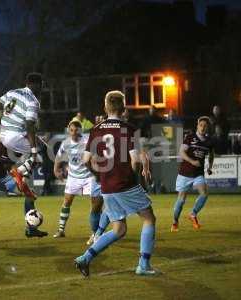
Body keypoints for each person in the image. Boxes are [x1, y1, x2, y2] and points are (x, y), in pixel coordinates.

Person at [74, 90, 156, 277]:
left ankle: (85, 258)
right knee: (148, 218)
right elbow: (135, 161)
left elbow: (86, 159)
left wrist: (97, 174)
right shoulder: (129, 129)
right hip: (124, 183)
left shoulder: (96, 129)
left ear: (105, 108)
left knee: (119, 229)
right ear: (124, 109)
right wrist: (135, 177)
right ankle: (143, 265)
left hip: (106, 185)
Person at [0, 144, 48, 248]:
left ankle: (31, 230)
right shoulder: (0, 146)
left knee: (30, 196)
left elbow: (12, 167)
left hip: (5, 178)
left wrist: (22, 181)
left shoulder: (19, 149)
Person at [0, 72, 44, 199]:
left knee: (28, 151)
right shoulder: (33, 101)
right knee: (41, 151)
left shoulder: (12, 92)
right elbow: (30, 125)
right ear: (37, 85)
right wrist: (34, 149)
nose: (41, 88)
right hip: (15, 137)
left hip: (4, 134)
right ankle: (19, 174)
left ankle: (19, 180)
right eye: (41, 85)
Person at [53, 120, 103, 245]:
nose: (74, 132)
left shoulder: (87, 140)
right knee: (67, 201)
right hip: (73, 177)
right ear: (68, 131)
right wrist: (56, 170)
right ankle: (61, 230)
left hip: (89, 177)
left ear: (80, 130)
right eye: (71, 130)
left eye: (76, 130)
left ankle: (95, 233)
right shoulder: (65, 143)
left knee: (95, 205)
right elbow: (59, 157)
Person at [171, 116, 214, 232]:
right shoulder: (190, 137)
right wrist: (192, 161)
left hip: (198, 174)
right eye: (201, 125)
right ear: (197, 126)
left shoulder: (209, 141)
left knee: (204, 194)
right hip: (185, 173)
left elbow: (211, 155)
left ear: (207, 128)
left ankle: (193, 214)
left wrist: (210, 167)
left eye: (205, 126)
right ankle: (175, 221)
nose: (203, 127)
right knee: (181, 200)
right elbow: (181, 152)